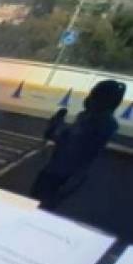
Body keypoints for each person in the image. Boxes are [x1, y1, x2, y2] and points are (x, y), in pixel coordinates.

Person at [31, 79, 125, 209]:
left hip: (63, 176)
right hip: (55, 171)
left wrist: (56, 130)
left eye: (94, 96)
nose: (89, 99)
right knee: (34, 204)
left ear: (105, 100)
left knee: (39, 208)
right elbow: (66, 140)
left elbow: (76, 146)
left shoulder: (101, 123)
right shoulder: (88, 118)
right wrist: (55, 127)